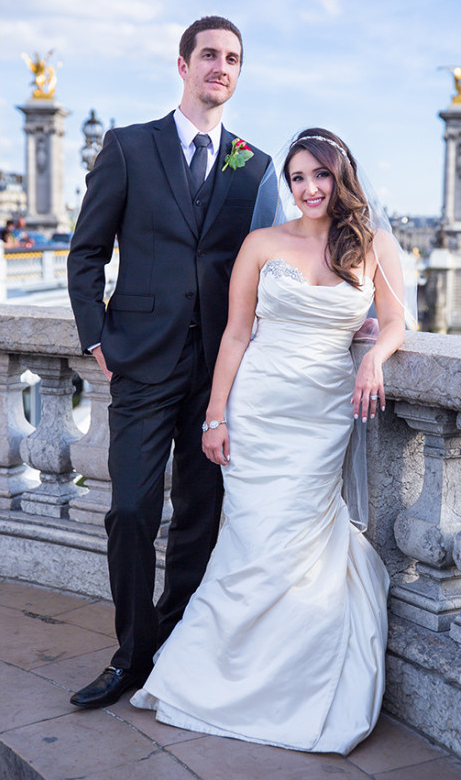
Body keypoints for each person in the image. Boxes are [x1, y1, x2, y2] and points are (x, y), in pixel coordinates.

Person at [131, 129, 410, 755]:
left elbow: (394, 322)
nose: (310, 189)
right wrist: (215, 416)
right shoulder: (261, 244)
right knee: (251, 543)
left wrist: (373, 361)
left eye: (321, 176)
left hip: (322, 416)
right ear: (287, 185)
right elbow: (234, 336)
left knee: (298, 541)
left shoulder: (373, 245)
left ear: (343, 178)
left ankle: (289, 682)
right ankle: (204, 679)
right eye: (298, 178)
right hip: (258, 413)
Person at [67, 16, 272, 709]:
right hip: (142, 364)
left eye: (232, 58)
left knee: (200, 514)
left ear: (238, 75)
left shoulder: (255, 163)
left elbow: (270, 260)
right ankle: (130, 653)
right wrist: (98, 339)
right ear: (181, 64)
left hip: (217, 372)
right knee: (128, 508)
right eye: (209, 54)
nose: (220, 66)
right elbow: (86, 252)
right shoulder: (127, 147)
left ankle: (172, 642)